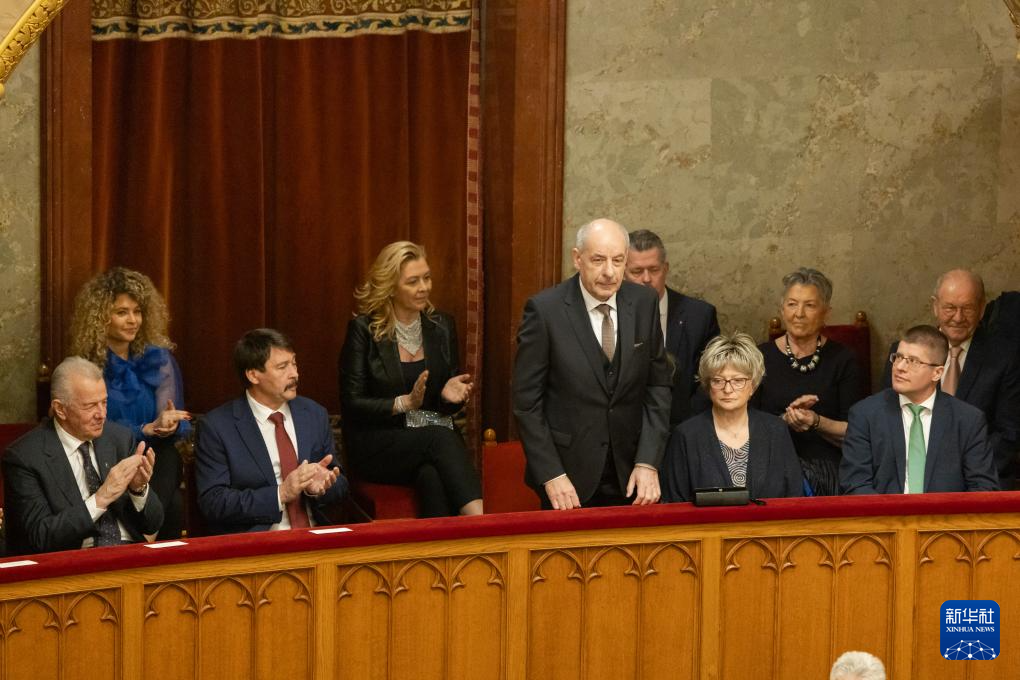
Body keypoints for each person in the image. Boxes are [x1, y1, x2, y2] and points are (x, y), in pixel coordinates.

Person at [513, 218, 672, 509]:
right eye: (598, 260)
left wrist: (648, 461)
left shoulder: (644, 302)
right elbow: (527, 404)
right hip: (568, 477)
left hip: (632, 475)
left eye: (618, 260)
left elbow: (658, 386)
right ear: (577, 258)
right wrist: (551, 474)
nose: (609, 272)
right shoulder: (545, 311)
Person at [338, 241, 483, 517]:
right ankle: (484, 524)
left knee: (432, 475)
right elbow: (352, 403)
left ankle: (441, 543)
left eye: (427, 278)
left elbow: (442, 406)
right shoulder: (363, 330)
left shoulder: (442, 326)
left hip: (427, 438)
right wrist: (404, 403)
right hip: (377, 443)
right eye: (413, 281)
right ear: (391, 287)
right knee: (441, 438)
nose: (424, 287)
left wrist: (448, 397)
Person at [69, 267, 191, 538]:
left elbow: (171, 421)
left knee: (167, 455)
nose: (133, 320)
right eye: (122, 312)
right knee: (173, 504)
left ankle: (143, 533)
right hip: (106, 455)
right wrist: (144, 429)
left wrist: (166, 425)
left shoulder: (159, 359)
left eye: (137, 312)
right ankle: (145, 533)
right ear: (101, 318)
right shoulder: (86, 368)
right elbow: (90, 427)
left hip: (153, 455)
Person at [2, 357, 163, 554]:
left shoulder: (119, 439)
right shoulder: (25, 457)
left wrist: (138, 490)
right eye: (90, 406)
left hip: (130, 555)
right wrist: (101, 497)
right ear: (60, 409)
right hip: (72, 561)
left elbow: (153, 524)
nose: (102, 414)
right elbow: (40, 537)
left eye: (104, 402)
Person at [195, 328, 348, 534]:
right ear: (253, 375)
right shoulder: (217, 427)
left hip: (315, 536)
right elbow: (213, 502)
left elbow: (340, 485)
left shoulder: (313, 414)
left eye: (294, 363)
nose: (294, 374)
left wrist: (320, 488)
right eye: (282, 367)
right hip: (258, 542)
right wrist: (280, 494)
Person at [880, 269, 1020, 489]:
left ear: (982, 308)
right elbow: (888, 419)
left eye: (967, 308)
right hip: (911, 472)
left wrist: (961, 472)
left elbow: (1008, 433)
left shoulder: (1005, 358)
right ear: (935, 306)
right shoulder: (904, 353)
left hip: (979, 476)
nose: (958, 317)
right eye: (950, 308)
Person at [840, 325, 998, 494]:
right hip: (883, 511)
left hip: (946, 511)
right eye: (898, 357)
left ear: (937, 373)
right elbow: (855, 484)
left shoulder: (968, 420)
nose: (900, 367)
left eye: (913, 361)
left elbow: (983, 488)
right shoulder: (865, 414)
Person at [751, 268, 862, 496]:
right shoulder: (758, 357)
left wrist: (816, 421)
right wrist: (784, 421)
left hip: (830, 469)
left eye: (810, 305)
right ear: (782, 309)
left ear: (826, 312)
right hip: (771, 465)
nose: (799, 313)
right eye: (792, 304)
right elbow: (744, 425)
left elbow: (856, 432)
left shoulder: (844, 359)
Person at [662, 332, 804, 502]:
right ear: (707, 386)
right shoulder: (686, 436)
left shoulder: (776, 430)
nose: (728, 389)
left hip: (771, 521)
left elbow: (794, 496)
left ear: (753, 385)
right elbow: (674, 503)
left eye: (738, 381)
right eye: (718, 380)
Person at [625, 229, 719, 426]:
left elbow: (712, 378)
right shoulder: (609, 314)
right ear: (623, 273)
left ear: (665, 269)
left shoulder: (699, 316)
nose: (646, 279)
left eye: (654, 270)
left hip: (683, 426)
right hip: (626, 429)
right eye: (637, 271)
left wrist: (686, 427)